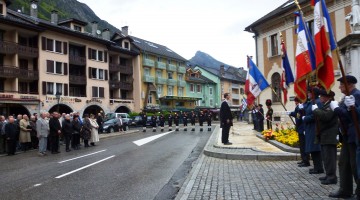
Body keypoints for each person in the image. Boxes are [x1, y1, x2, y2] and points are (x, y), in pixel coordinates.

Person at [329, 75, 360, 198]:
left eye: (342, 84)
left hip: (354, 135)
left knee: (355, 164)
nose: (339, 87)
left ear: (349, 85)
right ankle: (345, 189)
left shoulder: (356, 95)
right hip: (347, 135)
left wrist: (336, 109)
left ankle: (358, 192)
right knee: (343, 163)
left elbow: (351, 117)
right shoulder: (347, 96)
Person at [312, 89, 338, 185]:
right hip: (324, 134)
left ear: (328, 97)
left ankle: (332, 177)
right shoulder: (325, 105)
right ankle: (328, 174)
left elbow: (326, 117)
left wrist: (316, 110)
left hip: (329, 135)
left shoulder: (331, 105)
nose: (320, 98)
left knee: (330, 157)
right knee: (326, 157)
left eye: (322, 96)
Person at [302, 87, 324, 174]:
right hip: (310, 128)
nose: (308, 94)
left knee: (315, 148)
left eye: (309, 93)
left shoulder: (317, 102)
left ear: (313, 93)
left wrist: (305, 118)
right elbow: (307, 109)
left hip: (314, 127)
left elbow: (315, 116)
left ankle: (319, 168)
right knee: (312, 149)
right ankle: (316, 167)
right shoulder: (312, 102)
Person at [289, 97, 310, 167]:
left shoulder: (301, 107)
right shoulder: (298, 107)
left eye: (296, 101)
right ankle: (303, 159)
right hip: (300, 128)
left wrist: (297, 122)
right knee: (301, 145)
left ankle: (306, 160)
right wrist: (291, 113)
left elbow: (298, 117)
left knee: (304, 145)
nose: (295, 102)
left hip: (302, 128)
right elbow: (296, 114)